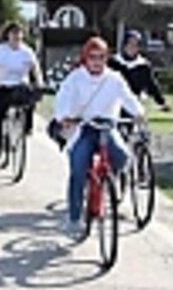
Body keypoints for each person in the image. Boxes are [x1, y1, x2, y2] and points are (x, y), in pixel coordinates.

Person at [53, 36, 145, 238]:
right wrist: (64, 117)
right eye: (92, 57)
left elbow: (127, 97)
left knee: (122, 156)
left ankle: (109, 186)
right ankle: (74, 217)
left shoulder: (114, 78)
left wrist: (138, 113)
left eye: (101, 57)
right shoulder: (76, 78)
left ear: (106, 58)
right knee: (78, 167)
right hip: (84, 127)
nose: (96, 61)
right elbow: (63, 97)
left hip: (107, 126)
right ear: (86, 58)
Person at [0, 23, 41, 160]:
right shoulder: (0, 50)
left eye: (19, 33)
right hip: (2, 86)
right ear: (8, 35)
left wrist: (39, 82)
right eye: (13, 33)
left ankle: (27, 127)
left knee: (31, 98)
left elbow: (35, 68)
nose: (16, 36)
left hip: (20, 85)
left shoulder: (27, 51)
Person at [109, 30, 171, 112]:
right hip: (115, 104)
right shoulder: (113, 62)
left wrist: (162, 102)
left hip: (134, 105)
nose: (132, 47)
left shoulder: (143, 65)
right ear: (124, 45)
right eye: (130, 44)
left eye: (136, 45)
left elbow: (151, 85)